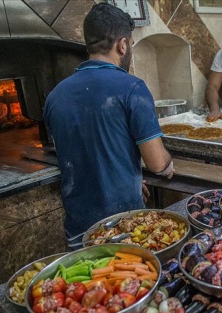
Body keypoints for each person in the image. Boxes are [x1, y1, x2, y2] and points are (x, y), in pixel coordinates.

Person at [43, 3, 174, 249]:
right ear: (122, 44)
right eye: (131, 45)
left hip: (79, 230)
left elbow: (88, 149)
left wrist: (131, 181)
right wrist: (168, 164)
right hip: (122, 228)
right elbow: (157, 164)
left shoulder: (55, 95)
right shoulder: (132, 88)